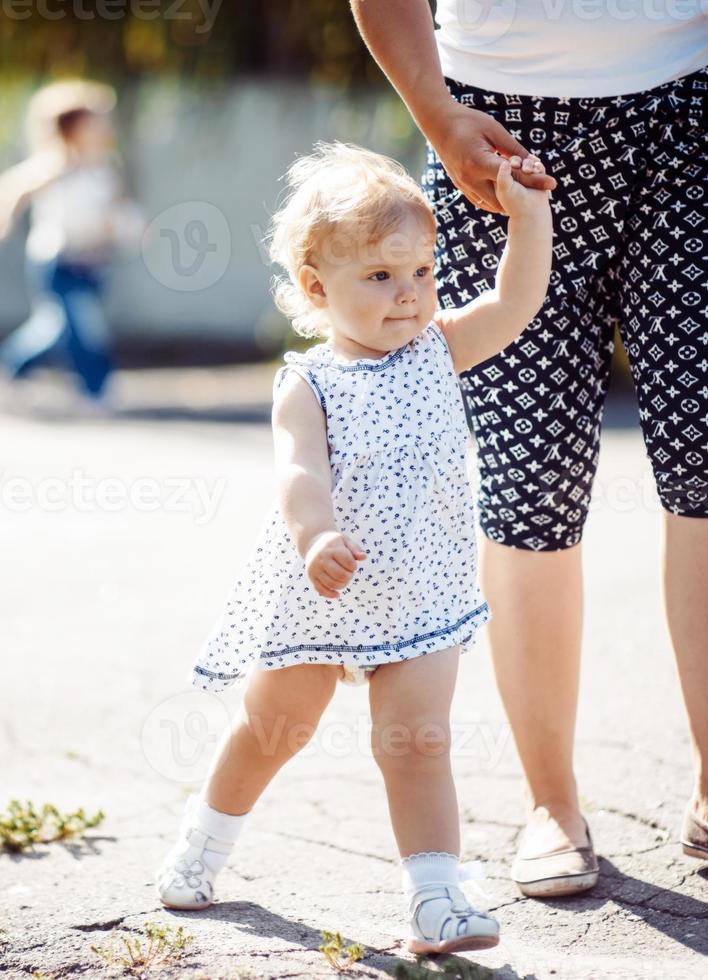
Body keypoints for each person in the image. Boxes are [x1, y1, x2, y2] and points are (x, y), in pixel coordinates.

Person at [352, 0, 708, 898]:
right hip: (498, 126)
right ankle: (551, 804)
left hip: (699, 111)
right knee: (527, 475)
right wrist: (436, 113)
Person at [155, 142, 552, 956]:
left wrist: (530, 216)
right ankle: (204, 842)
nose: (407, 296)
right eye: (378, 277)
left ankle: (436, 899)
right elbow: (298, 471)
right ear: (315, 287)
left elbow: (516, 302)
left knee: (416, 740)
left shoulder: (442, 346)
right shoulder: (308, 382)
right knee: (273, 727)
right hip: (323, 586)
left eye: (421, 274)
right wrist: (317, 535)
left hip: (422, 590)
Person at [0, 79, 141, 412]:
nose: (104, 129)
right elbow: (14, 189)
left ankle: (10, 369)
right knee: (83, 326)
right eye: (96, 122)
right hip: (57, 262)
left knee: (54, 326)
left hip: (93, 262)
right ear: (73, 128)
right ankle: (96, 389)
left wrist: (130, 228)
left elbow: (117, 209)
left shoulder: (106, 169)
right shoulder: (55, 167)